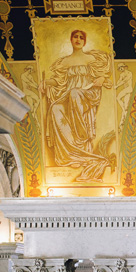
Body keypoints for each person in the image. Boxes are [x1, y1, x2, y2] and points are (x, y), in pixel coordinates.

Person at [40, 28, 115, 181]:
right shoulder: (64, 62)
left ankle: (82, 136)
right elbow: (60, 82)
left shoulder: (91, 59)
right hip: (68, 97)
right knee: (55, 108)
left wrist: (101, 79)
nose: (78, 39)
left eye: (81, 37)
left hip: (87, 96)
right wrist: (45, 82)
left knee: (75, 92)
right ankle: (70, 155)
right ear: (71, 40)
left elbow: (105, 77)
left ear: (84, 42)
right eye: (75, 37)